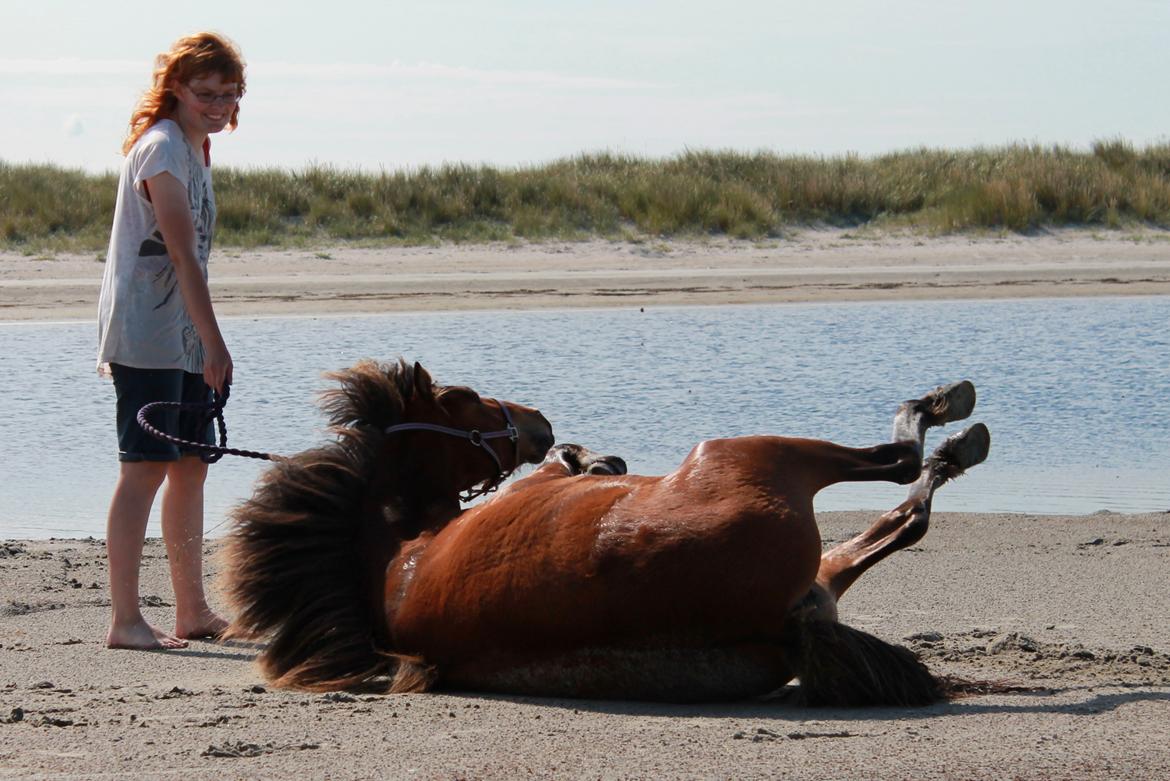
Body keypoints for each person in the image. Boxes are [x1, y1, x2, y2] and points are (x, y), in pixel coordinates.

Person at [96, 32, 245, 649]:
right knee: (145, 470)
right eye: (203, 92)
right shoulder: (160, 148)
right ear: (176, 89)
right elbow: (182, 254)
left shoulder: (197, 148)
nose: (216, 103)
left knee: (190, 467)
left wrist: (201, 340)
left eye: (227, 93)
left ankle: (193, 612)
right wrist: (216, 344)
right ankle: (125, 621)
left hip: (181, 334)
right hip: (146, 333)